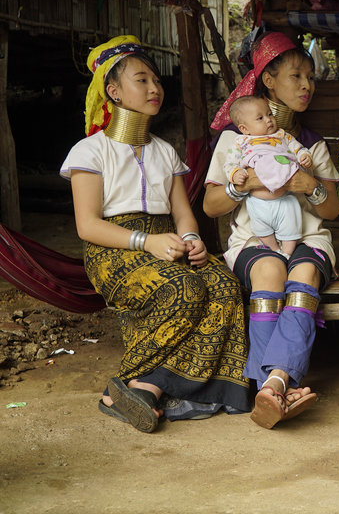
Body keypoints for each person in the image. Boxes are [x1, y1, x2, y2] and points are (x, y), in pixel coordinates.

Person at [61, 35, 250, 432]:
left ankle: (152, 389)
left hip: (167, 243)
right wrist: (146, 241)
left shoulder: (165, 151)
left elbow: (182, 214)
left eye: (157, 81)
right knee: (184, 289)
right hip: (113, 251)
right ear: (113, 91)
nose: (154, 88)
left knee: (224, 285)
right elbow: (87, 225)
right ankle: (124, 386)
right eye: (141, 80)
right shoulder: (89, 151)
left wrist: (193, 241)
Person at [204, 32, 339, 429]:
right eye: (296, 76)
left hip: (307, 238)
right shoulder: (235, 141)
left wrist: (309, 186)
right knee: (269, 271)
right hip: (253, 240)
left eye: (311, 77)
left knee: (304, 273)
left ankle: (271, 385)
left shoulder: (310, 145)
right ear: (268, 80)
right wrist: (241, 185)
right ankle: (280, 383)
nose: (306, 85)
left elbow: (331, 210)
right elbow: (211, 205)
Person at [225, 95, 313, 258]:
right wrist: (235, 173)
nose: (268, 120)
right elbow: (229, 163)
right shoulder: (241, 142)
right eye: (260, 118)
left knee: (291, 227)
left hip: (285, 199)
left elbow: (298, 148)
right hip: (258, 202)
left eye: (270, 114)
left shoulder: (282, 136)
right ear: (244, 128)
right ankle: (275, 250)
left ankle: (287, 253)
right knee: (261, 229)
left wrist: (304, 156)